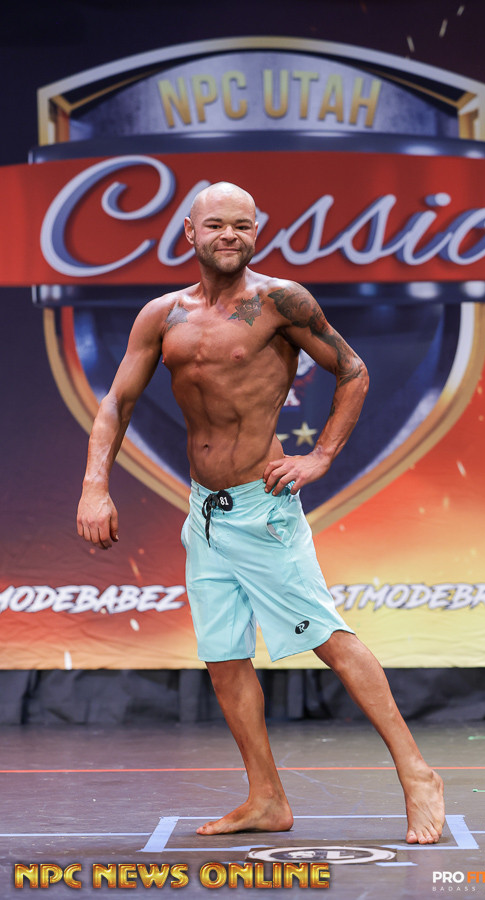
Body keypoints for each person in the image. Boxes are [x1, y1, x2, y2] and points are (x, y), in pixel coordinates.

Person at [77, 181, 445, 844]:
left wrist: (322, 455)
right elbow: (117, 404)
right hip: (205, 515)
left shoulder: (280, 301)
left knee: (329, 638)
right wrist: (93, 487)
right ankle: (266, 797)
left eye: (242, 226)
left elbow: (353, 370)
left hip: (263, 509)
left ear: (257, 233)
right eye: (216, 224)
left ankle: (418, 774)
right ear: (189, 233)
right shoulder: (162, 316)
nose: (230, 236)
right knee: (223, 657)